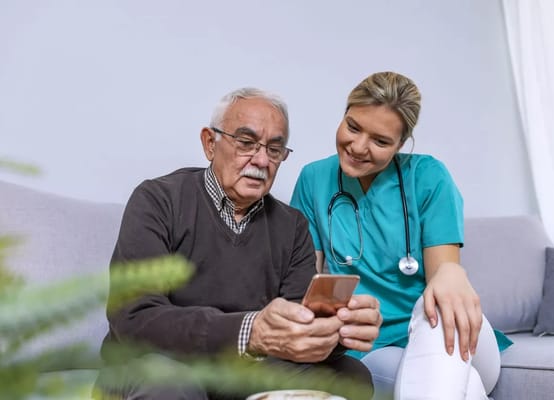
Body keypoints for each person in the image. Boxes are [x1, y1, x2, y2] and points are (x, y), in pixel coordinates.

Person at [94, 87, 382, 400]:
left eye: (275, 149)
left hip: (239, 375)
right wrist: (249, 332)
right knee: (171, 382)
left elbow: (295, 330)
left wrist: (338, 330)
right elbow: (135, 318)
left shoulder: (292, 226)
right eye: (246, 143)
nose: (261, 160)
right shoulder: (158, 200)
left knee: (350, 376)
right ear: (209, 142)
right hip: (154, 367)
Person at [290, 71, 512, 399]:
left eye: (380, 141)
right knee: (465, 388)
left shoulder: (427, 177)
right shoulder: (313, 179)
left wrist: (452, 273)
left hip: (455, 337)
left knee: (432, 306)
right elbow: (310, 286)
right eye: (353, 127)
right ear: (344, 115)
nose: (358, 147)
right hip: (372, 348)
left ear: (401, 145)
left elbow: (444, 280)